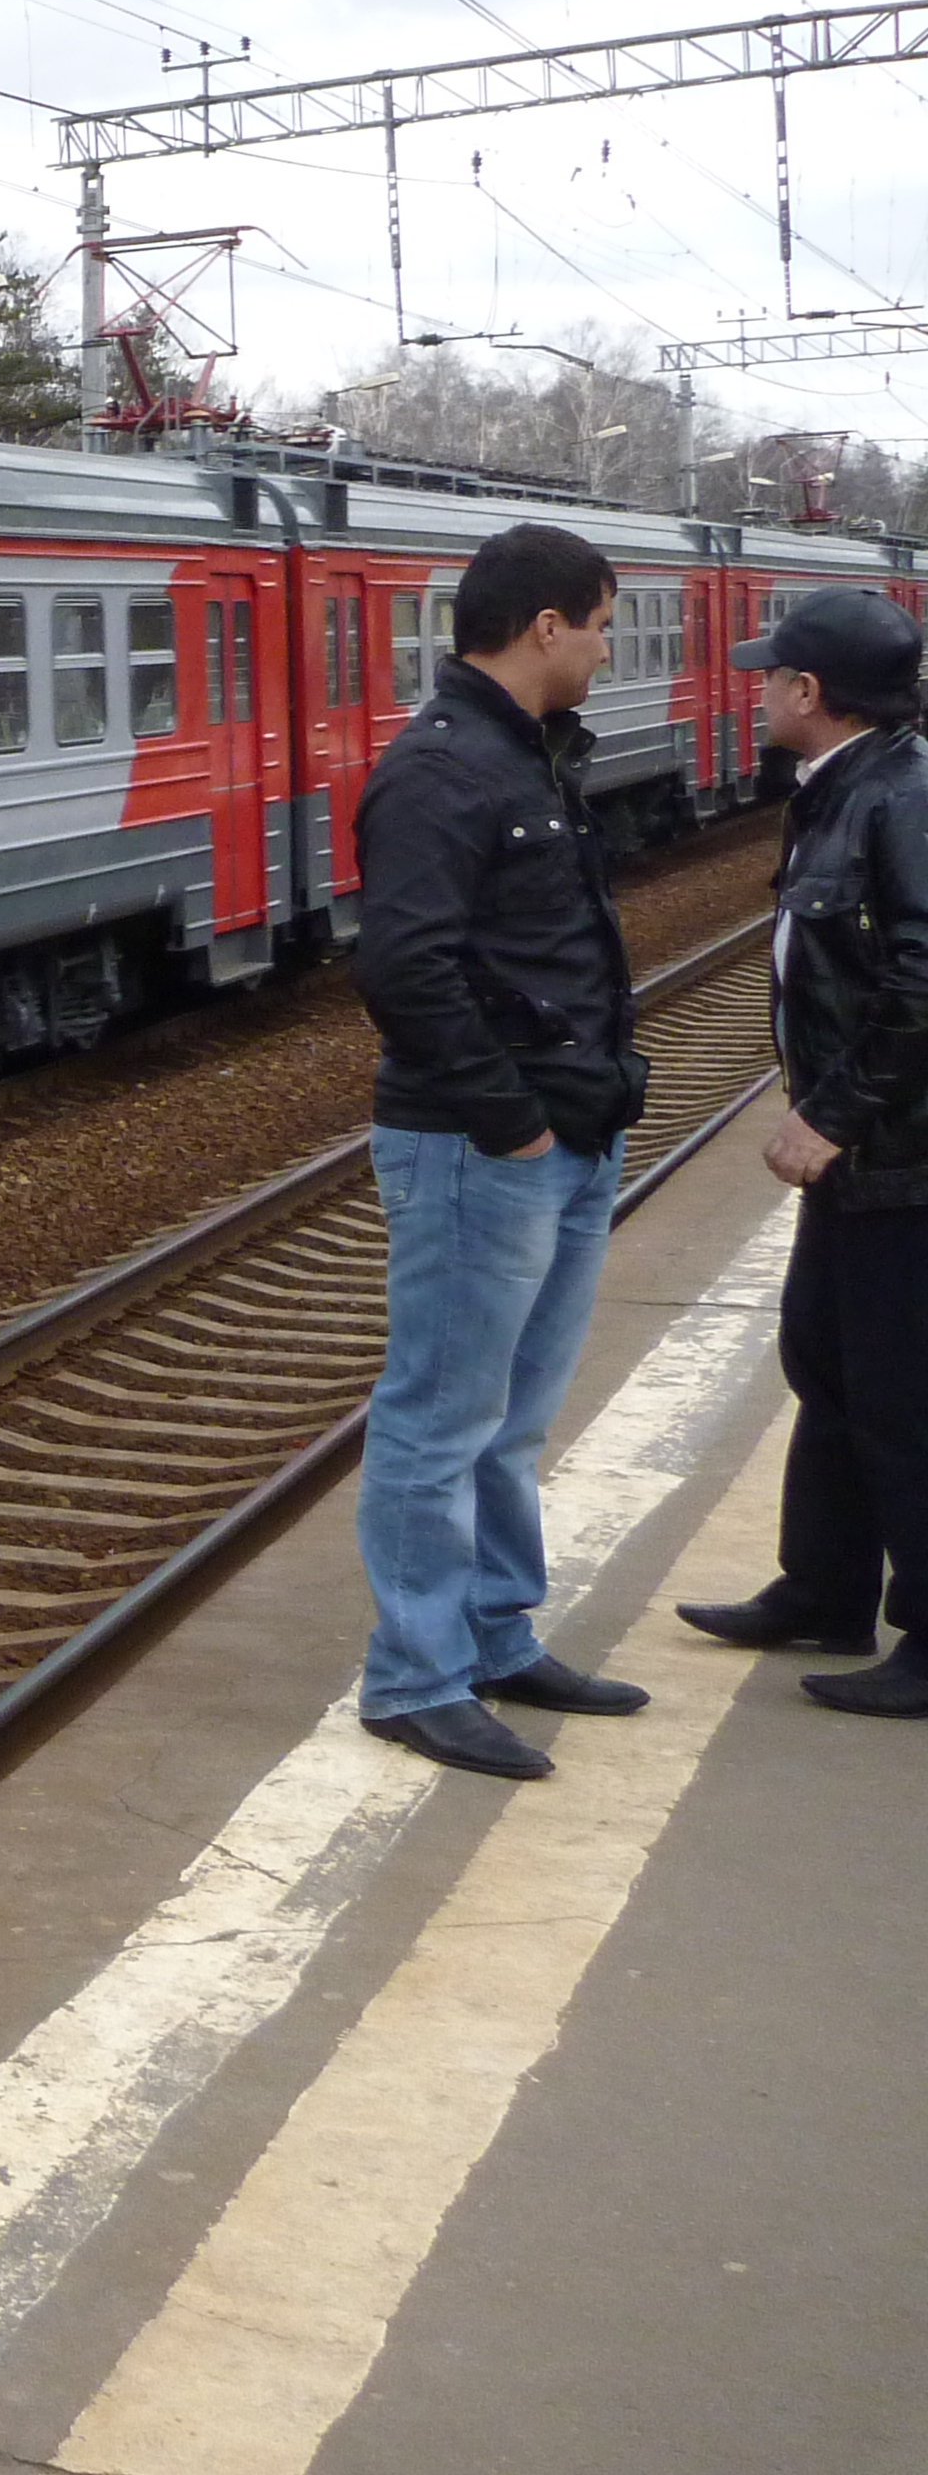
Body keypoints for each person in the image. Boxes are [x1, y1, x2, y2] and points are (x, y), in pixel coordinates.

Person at [347, 521, 652, 1780]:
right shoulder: (440, 771)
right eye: (599, 625)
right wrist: (509, 1119)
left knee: (513, 1419)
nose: (605, 648)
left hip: (564, 1136)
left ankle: (491, 1633)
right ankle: (415, 1677)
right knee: (440, 1415)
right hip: (484, 1150)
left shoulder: (529, 757)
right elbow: (405, 970)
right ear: (545, 627)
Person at [678, 586, 928, 1712]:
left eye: (770, 674)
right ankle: (822, 1587)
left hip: (900, 1157)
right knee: (824, 1364)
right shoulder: (842, 789)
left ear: (810, 693)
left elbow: (923, 982)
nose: (757, 687)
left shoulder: (903, 798)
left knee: (902, 1394)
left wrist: (832, 1114)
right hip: (865, 1156)